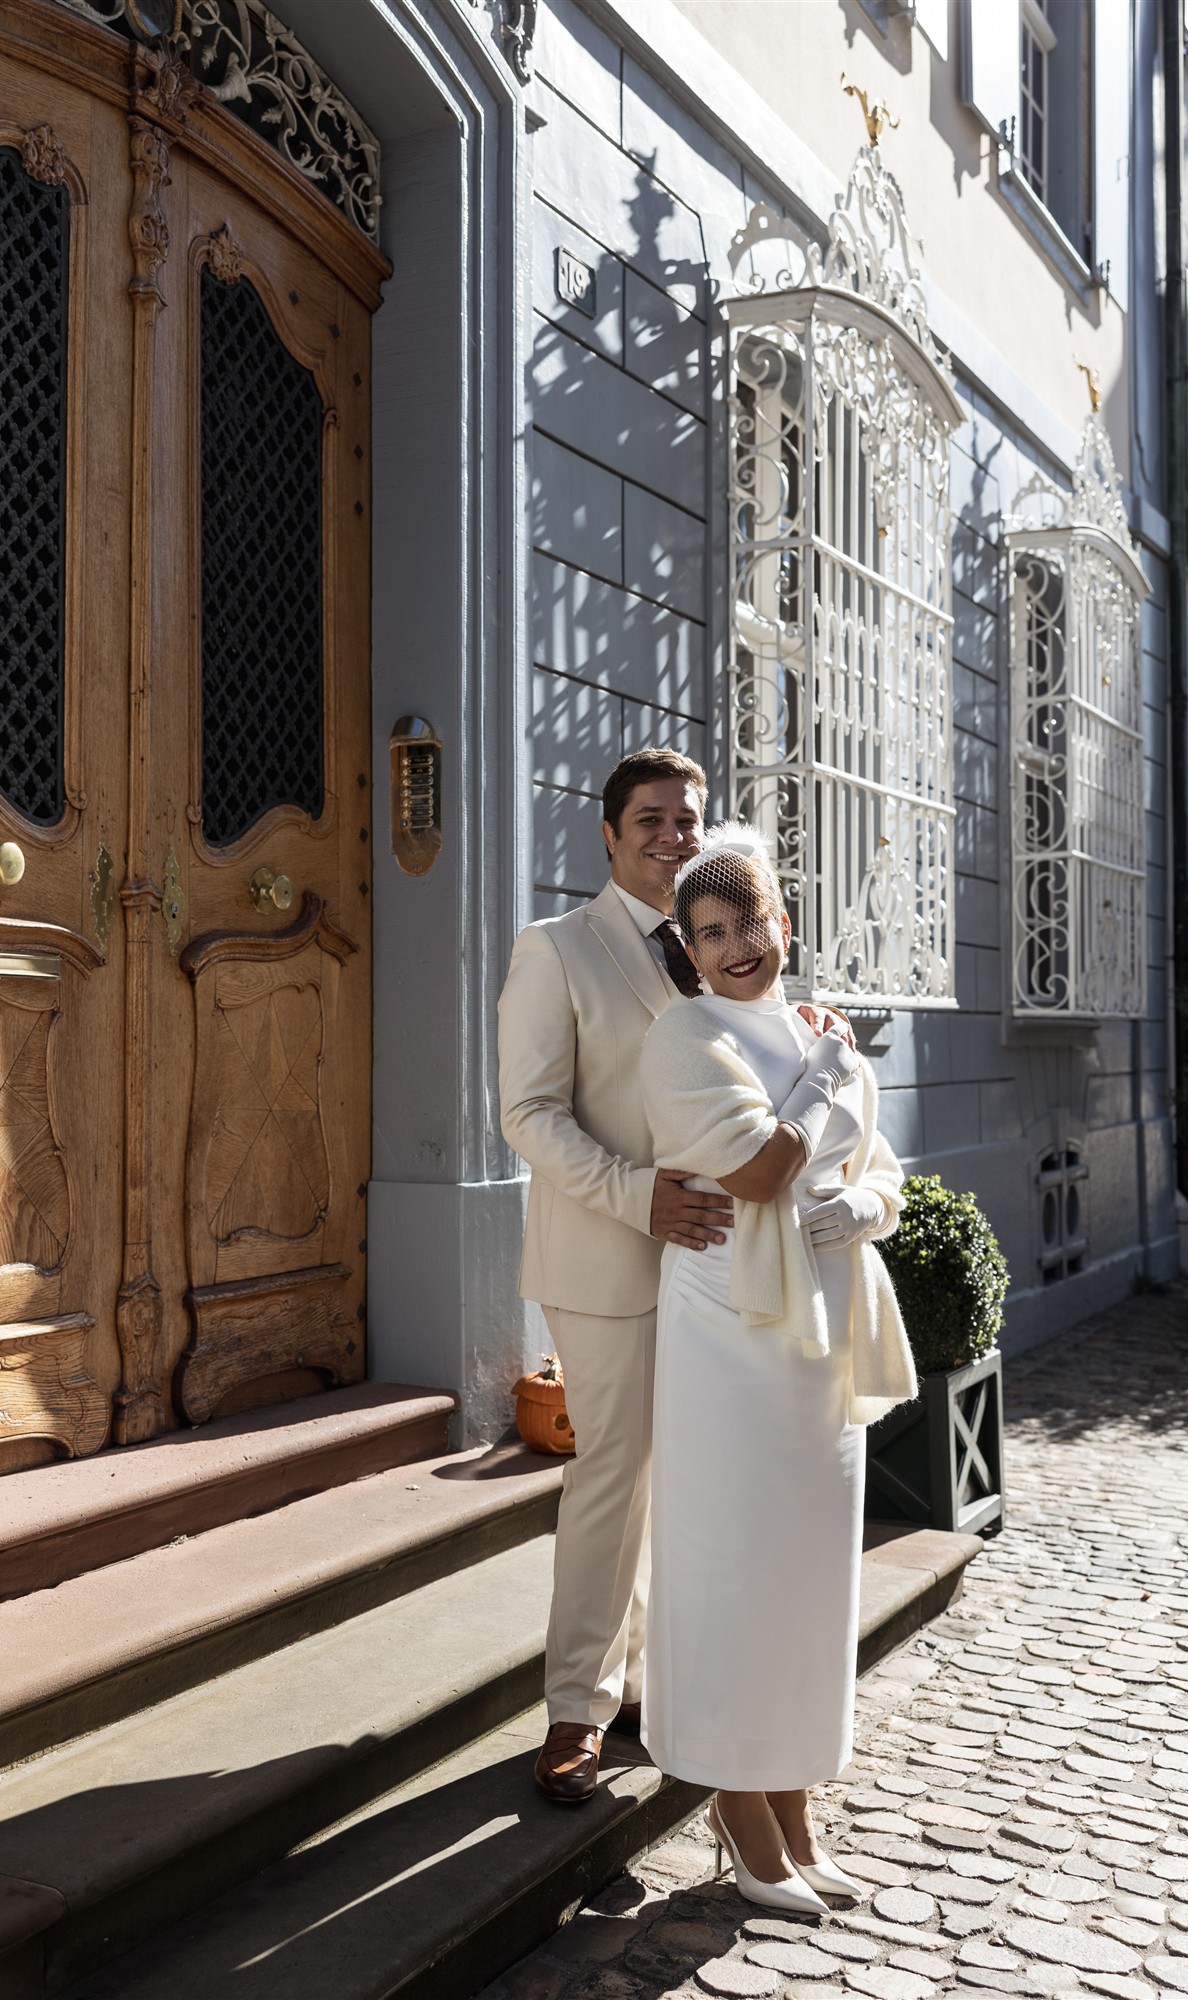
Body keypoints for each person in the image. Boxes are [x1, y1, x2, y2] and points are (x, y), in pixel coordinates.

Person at [637, 823, 917, 1912]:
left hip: (821, 1331)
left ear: (782, 922)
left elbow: (878, 1170)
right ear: (691, 952)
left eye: (748, 918)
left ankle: (794, 1796)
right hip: (729, 1333)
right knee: (733, 1563)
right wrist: (826, 1077)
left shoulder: (815, 1026)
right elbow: (757, 1172)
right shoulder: (684, 1034)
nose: (735, 943)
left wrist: (861, 1206)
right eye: (710, 931)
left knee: (808, 1572)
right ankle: (736, 1799)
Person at [497, 749, 734, 1804]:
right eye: (648, 817)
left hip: (714, 1266)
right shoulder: (556, 947)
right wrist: (640, 1195)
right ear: (608, 832)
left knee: (672, 1478)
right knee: (611, 1474)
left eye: (686, 817)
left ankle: (643, 1683)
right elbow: (528, 1114)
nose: (670, 834)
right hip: (605, 1255)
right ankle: (575, 1708)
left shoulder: (717, 948)